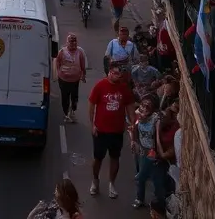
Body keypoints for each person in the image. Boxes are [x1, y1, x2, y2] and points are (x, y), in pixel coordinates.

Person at [88, 63, 136, 199]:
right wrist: (92, 124)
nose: (117, 76)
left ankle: (112, 184)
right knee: (98, 158)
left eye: (119, 74)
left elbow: (130, 106)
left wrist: (132, 122)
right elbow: (91, 105)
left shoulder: (124, 88)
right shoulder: (100, 86)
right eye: (114, 73)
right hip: (101, 130)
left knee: (115, 158)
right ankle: (95, 180)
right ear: (109, 72)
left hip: (117, 131)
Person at [130, 95, 165, 208]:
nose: (143, 108)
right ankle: (140, 198)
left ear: (153, 109)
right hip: (141, 149)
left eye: (147, 106)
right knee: (142, 176)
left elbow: (158, 138)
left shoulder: (156, 119)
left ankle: (159, 203)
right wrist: (133, 141)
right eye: (143, 105)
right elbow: (134, 128)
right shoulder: (139, 114)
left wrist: (160, 154)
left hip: (152, 152)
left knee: (153, 178)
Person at [55, 33, 88, 122]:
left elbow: (82, 65)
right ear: (67, 42)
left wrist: (83, 75)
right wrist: (57, 74)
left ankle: (72, 111)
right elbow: (57, 63)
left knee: (74, 97)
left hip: (75, 80)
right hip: (63, 80)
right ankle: (66, 113)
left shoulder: (80, 52)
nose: (73, 43)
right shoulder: (62, 52)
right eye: (71, 41)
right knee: (65, 97)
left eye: (74, 41)